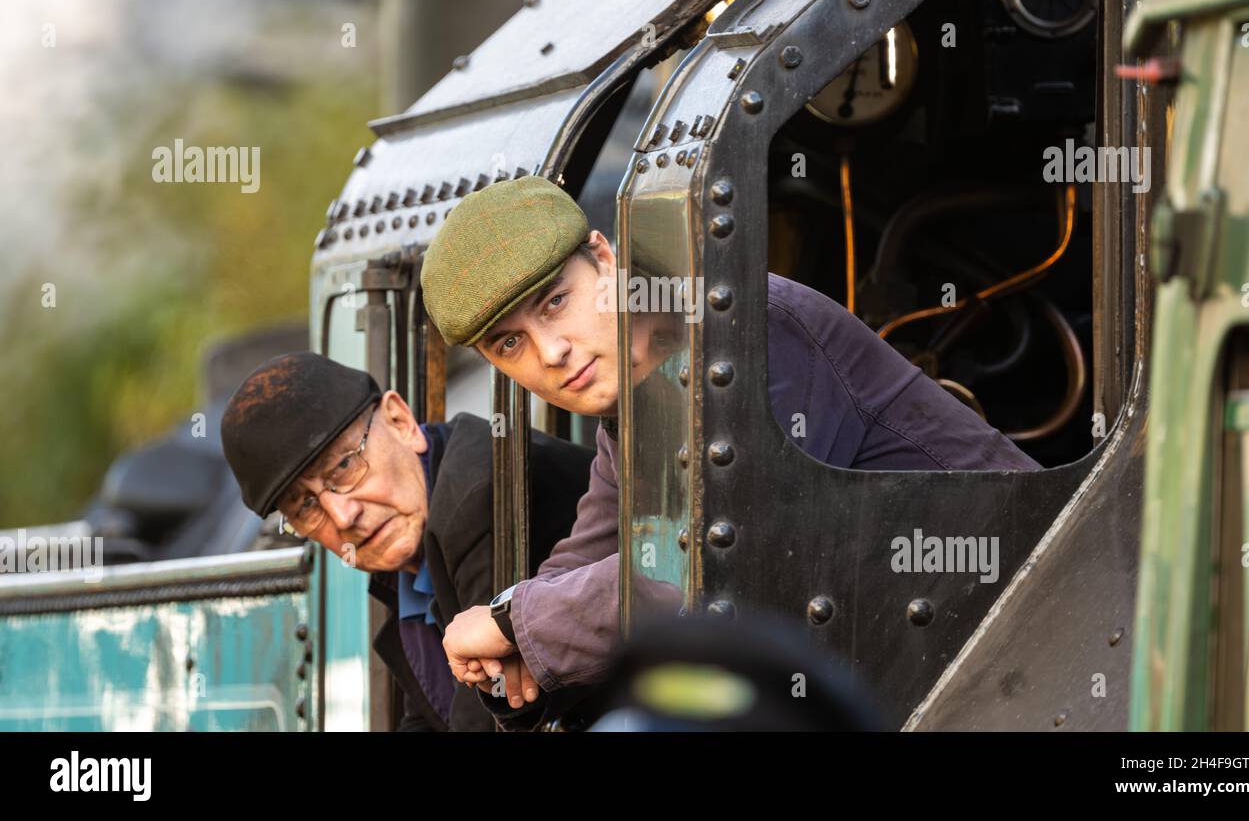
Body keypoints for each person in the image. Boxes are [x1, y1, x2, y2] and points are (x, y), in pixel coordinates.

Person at [419, 175, 1041, 728]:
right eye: (510, 346)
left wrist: (514, 624)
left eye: (556, 302)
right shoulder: (633, 405)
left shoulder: (747, 331)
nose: (549, 352)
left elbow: (716, 559)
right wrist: (515, 647)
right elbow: (588, 555)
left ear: (605, 259)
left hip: (1023, 623)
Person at [217, 351, 593, 730]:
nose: (344, 517)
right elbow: (429, 718)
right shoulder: (407, 566)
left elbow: (481, 722)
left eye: (345, 466)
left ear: (400, 422)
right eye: (306, 507)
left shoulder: (480, 497)